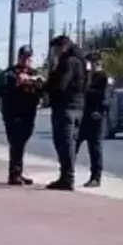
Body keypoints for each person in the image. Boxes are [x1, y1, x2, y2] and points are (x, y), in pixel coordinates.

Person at [44, 34, 89, 190]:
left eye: (55, 49)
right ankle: (66, 176)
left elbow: (61, 85)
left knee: (64, 143)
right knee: (70, 142)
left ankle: (67, 178)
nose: (54, 53)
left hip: (65, 107)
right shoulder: (81, 62)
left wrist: (46, 86)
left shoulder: (68, 62)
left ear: (62, 47)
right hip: (78, 106)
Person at [0, 47, 42, 185]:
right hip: (13, 113)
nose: (27, 60)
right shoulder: (9, 74)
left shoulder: (34, 73)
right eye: (24, 57)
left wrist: (38, 85)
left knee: (22, 142)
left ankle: (18, 172)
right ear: (19, 57)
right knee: (16, 143)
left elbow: (41, 91)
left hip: (29, 113)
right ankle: (14, 174)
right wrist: (17, 83)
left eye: (29, 57)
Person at [77, 51, 110, 188]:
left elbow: (104, 97)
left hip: (95, 116)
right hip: (83, 115)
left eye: (90, 63)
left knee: (95, 148)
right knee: (73, 144)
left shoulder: (103, 77)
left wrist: (100, 111)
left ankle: (96, 177)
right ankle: (67, 172)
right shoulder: (87, 77)